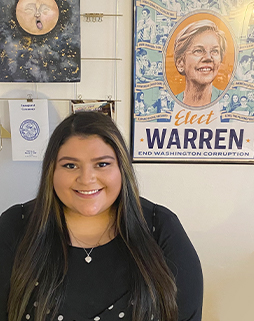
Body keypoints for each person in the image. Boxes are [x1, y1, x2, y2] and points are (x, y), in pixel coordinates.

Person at [0, 112, 203, 321]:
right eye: (70, 165)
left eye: (102, 164)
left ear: (121, 168)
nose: (86, 179)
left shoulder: (160, 228)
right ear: (51, 170)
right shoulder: (15, 226)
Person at [174, 20, 227, 107]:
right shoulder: (169, 104)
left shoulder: (227, 102)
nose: (208, 57)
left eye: (215, 51)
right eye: (198, 51)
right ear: (180, 63)